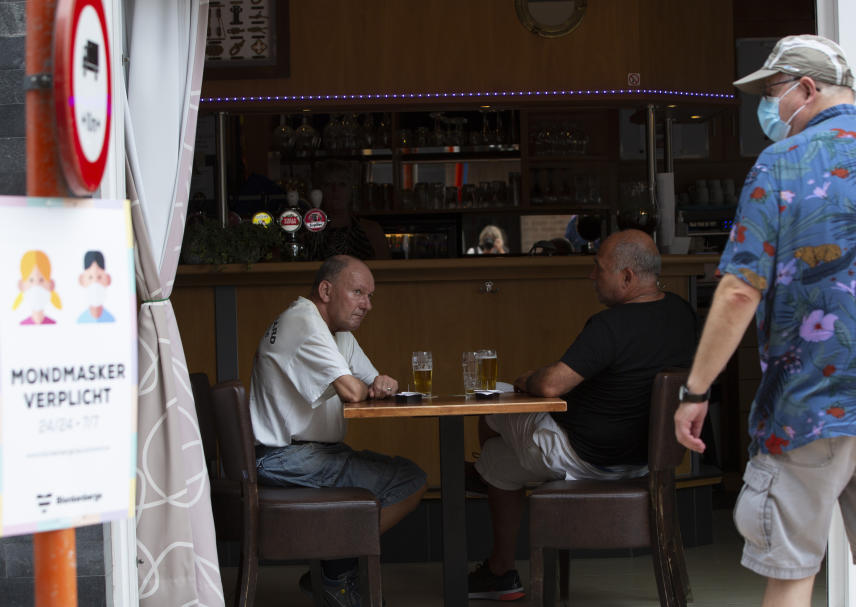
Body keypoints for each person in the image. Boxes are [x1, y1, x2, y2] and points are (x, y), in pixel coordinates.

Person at [673, 35, 856, 607]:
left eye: (772, 91)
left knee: (793, 574)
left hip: (809, 405)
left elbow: (738, 293)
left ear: (805, 88)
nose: (767, 108)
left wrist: (696, 390)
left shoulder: (781, 163)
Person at [467, 229, 697, 600]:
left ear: (626, 278)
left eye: (598, 268)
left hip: (583, 455)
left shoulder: (609, 327)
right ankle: (495, 485)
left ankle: (499, 558)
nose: (591, 276)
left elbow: (551, 385)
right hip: (647, 462)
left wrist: (526, 378)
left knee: (492, 407)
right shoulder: (682, 314)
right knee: (499, 460)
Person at [249, 254, 427, 607]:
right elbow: (353, 391)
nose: (368, 305)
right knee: (409, 482)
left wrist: (381, 383)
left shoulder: (336, 334)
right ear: (326, 290)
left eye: (370, 295)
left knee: (407, 477)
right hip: (284, 458)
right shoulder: (303, 323)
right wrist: (368, 386)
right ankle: (335, 573)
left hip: (312, 454)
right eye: (359, 292)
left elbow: (374, 383)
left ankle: (332, 569)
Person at [312, 160, 390, 260]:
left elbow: (385, 269)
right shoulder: (310, 233)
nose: (335, 190)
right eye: (328, 184)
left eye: (342, 184)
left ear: (351, 190)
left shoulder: (371, 231)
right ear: (318, 191)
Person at [13, 250, 62, 325]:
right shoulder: (22, 324)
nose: (36, 285)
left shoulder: (53, 323)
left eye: (41, 280)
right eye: (31, 280)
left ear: (51, 285)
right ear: (21, 285)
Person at [77, 250, 114, 323]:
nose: (95, 283)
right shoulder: (80, 321)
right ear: (81, 280)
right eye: (90, 277)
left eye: (99, 277)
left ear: (108, 279)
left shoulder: (111, 319)